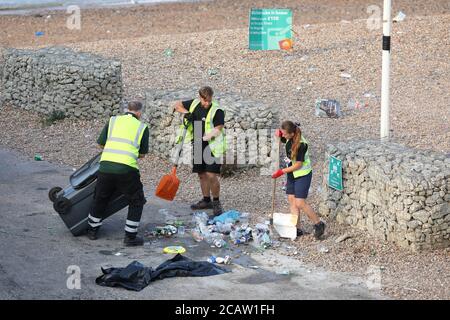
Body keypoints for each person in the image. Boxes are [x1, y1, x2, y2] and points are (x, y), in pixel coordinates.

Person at [87, 101, 149, 246]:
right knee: (136, 200)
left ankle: (92, 231)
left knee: (100, 197)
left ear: (127, 109)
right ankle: (130, 237)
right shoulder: (142, 127)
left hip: (106, 166)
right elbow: (142, 154)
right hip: (127, 169)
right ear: (139, 113)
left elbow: (101, 143)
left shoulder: (113, 120)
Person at [173, 86, 226, 216]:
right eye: (205, 100)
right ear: (200, 97)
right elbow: (177, 105)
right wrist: (186, 113)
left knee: (211, 175)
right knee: (201, 174)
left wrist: (204, 138)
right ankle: (206, 200)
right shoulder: (194, 103)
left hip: (211, 146)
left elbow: (218, 128)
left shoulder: (217, 110)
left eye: (209, 100)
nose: (207, 103)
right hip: (197, 144)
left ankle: (216, 202)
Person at [272, 120, 325, 240]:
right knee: (291, 200)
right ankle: (296, 228)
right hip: (292, 174)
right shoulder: (288, 137)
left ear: (292, 134)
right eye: (282, 133)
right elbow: (284, 140)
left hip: (302, 174)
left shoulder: (301, 144)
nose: (283, 136)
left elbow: (298, 165)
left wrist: (281, 172)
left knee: (300, 202)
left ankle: (318, 224)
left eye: (285, 134)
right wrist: (279, 136)